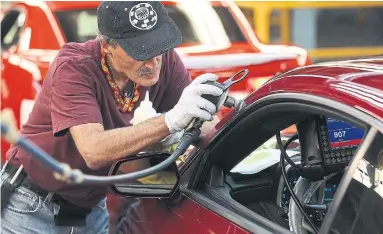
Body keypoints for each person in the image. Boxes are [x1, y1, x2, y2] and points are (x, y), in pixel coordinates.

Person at [0, 1, 222, 233]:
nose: (153, 62)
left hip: (90, 208)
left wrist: (218, 128)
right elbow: (93, 151)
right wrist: (169, 122)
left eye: (159, 46)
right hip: (33, 205)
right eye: (141, 51)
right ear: (106, 45)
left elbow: (207, 127)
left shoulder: (164, 60)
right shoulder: (75, 67)